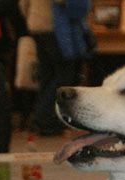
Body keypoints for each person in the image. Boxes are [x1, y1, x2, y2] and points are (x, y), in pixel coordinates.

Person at [19, 0, 91, 135]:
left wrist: (31, 16)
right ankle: (44, 119)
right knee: (64, 74)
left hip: (36, 24)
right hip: (54, 27)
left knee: (47, 75)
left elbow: (23, 4)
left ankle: (43, 121)